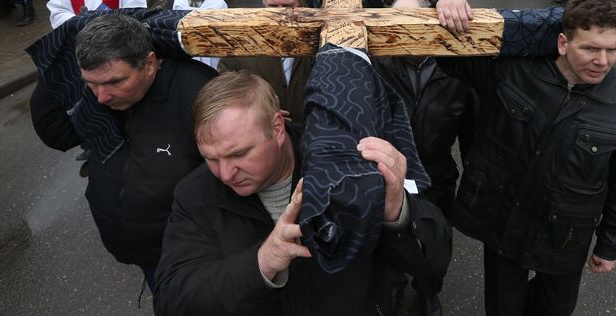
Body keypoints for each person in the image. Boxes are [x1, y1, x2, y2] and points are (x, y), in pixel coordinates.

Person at [153, 67, 452, 316]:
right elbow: (171, 301)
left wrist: (398, 212)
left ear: (278, 128)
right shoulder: (194, 196)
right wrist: (261, 263)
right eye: (211, 158)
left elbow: (434, 259)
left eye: (239, 153)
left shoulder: (346, 168)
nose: (225, 173)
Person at [439, 0, 616, 316]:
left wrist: (610, 244)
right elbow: (446, 54)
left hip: (564, 237)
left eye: (613, 50)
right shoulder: (514, 71)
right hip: (502, 224)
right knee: (503, 308)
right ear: (563, 43)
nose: (602, 61)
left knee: (554, 309)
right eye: (591, 48)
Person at [29, 14, 217, 292]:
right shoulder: (98, 95)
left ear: (150, 63)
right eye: (91, 84)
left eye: (115, 82)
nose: (101, 98)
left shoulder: (199, 92)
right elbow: (56, 132)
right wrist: (66, 51)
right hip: (141, 251)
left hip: (190, 256)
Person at [376, 0, 478, 316]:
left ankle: (429, 291)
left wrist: (473, 193)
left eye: (412, 24)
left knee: (433, 243)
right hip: (388, 177)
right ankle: (389, 292)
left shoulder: (458, 69)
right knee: (388, 240)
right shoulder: (378, 62)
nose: (404, 33)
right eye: (397, 24)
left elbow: (473, 136)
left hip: (437, 176)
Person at [218, 0, 313, 125]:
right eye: (273, 6)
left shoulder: (318, 35)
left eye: (288, 7)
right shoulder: (241, 40)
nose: (279, 13)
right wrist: (255, 109)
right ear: (263, 4)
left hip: (310, 129)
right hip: (262, 129)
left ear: (302, 5)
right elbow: (225, 87)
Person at [172, 0, 228, 69]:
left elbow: (223, 31)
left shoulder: (218, 3)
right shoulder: (179, 0)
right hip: (185, 49)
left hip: (209, 51)